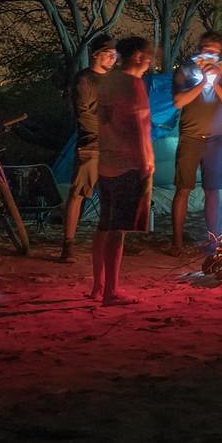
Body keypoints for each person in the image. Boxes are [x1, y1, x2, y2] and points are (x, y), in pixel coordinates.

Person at [92, 36, 154, 305]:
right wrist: (146, 162)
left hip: (106, 162)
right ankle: (111, 292)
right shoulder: (133, 84)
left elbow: (103, 120)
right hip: (128, 164)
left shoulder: (108, 81)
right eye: (148, 56)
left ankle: (98, 286)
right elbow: (139, 126)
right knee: (118, 230)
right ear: (138, 56)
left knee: (105, 225)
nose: (150, 61)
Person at [169, 30, 222, 254]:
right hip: (190, 138)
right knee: (183, 189)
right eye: (207, 50)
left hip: (215, 140)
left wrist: (217, 82)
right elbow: (178, 101)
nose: (211, 56)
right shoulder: (185, 70)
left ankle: (213, 239)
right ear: (200, 49)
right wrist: (202, 82)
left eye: (216, 52)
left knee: (213, 190)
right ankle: (178, 242)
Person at [59, 35, 118, 263]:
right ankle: (68, 244)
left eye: (115, 55)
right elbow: (85, 115)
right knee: (78, 194)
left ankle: (106, 245)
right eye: (109, 54)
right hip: (91, 145)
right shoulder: (84, 80)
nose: (113, 58)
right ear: (96, 54)